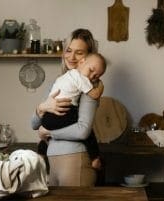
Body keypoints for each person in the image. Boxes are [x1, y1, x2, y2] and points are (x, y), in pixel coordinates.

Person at [31, 28, 104, 187]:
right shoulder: (59, 83)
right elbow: (34, 124)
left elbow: (83, 130)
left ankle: (95, 157)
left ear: (88, 57)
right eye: (68, 51)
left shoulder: (87, 88)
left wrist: (49, 132)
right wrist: (42, 107)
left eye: (79, 52)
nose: (71, 57)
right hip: (53, 162)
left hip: (75, 161)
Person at [41, 53, 106, 164]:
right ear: (81, 62)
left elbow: (35, 122)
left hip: (47, 116)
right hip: (63, 111)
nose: (91, 77)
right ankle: (95, 158)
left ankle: (42, 148)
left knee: (78, 129)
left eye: (96, 76)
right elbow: (95, 95)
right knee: (87, 131)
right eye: (91, 70)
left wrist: (41, 109)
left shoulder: (65, 76)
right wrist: (100, 85)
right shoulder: (80, 78)